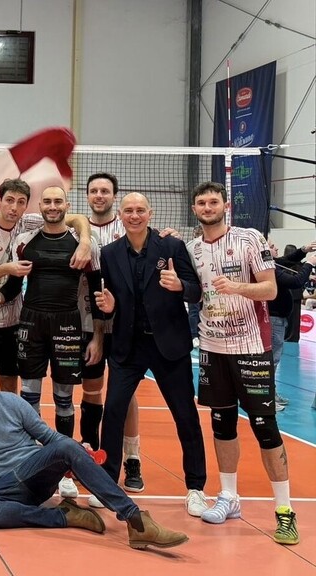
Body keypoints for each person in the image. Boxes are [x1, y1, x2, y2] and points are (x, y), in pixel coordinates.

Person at [0, 358, 189, 550]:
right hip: (8, 486)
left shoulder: (12, 402)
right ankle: (64, 515)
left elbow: (49, 437)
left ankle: (136, 519)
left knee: (65, 446)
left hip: (35, 470)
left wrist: (77, 452)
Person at [187, 181, 298, 545]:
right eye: (201, 203)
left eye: (213, 202)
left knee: (265, 427)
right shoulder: (192, 249)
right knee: (222, 425)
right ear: (194, 209)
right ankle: (229, 497)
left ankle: (284, 511)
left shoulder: (249, 239)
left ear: (226, 205)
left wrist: (237, 287)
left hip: (250, 347)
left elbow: (271, 289)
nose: (208, 207)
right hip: (212, 347)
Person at [93, 192, 208, 516]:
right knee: (113, 412)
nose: (134, 215)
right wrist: (109, 308)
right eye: (128, 210)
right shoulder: (109, 253)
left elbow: (196, 291)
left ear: (150, 213)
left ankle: (196, 487)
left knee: (185, 415)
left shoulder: (171, 246)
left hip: (168, 347)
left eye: (140, 210)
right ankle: (107, 483)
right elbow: (107, 298)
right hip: (127, 347)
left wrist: (180, 286)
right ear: (120, 215)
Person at [0, 185, 102, 499]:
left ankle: (65, 468)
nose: (52, 206)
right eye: (47, 202)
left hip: (68, 323)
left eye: (58, 201)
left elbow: (96, 292)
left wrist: (97, 336)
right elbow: (13, 286)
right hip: (31, 322)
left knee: (64, 399)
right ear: (40, 206)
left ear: (67, 206)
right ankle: (32, 460)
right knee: (29, 396)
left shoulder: (85, 244)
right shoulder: (24, 241)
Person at [0, 179, 92, 395]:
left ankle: (8, 419)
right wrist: (5, 269)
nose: (14, 207)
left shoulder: (28, 222)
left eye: (21, 202)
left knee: (10, 381)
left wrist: (85, 242)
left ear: (27, 206)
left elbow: (78, 218)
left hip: (16, 319)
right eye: (9, 200)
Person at [79, 173, 143, 491]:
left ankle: (132, 459)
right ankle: (92, 454)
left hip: (124, 327)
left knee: (125, 395)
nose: (99, 195)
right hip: (87, 323)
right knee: (91, 391)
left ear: (114, 196)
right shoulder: (79, 230)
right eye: (94, 191)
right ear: (87, 196)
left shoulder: (129, 228)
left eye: (105, 191)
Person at [269, 241, 315, 411]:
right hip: (273, 319)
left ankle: (271, 393)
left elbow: (287, 259)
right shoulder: (269, 267)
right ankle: (267, 397)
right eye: (272, 246)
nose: (276, 248)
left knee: (274, 358)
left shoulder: (273, 263)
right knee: (272, 359)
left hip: (278, 319)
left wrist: (304, 250)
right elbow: (296, 281)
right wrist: (309, 263)